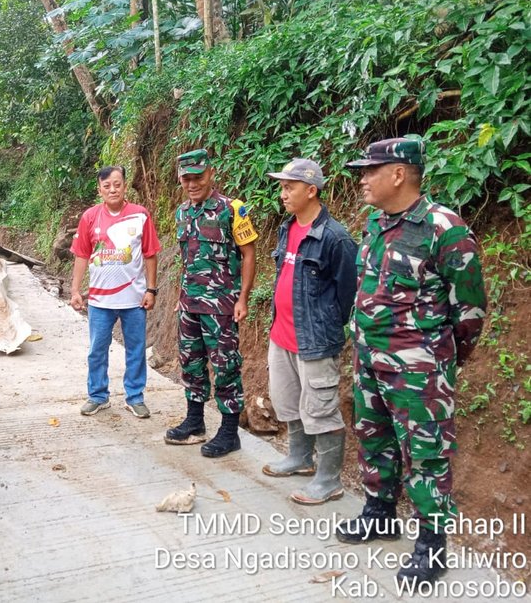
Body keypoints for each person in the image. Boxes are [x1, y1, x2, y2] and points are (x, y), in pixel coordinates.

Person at [336, 137, 487, 586]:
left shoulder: (445, 229)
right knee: (373, 437)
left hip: (419, 371)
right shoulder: (376, 223)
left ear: (399, 173)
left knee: (426, 454)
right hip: (369, 360)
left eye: (370, 170)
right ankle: (380, 513)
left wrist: (437, 360)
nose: (362, 178)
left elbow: (470, 313)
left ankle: (432, 545)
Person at [261, 158, 357, 505]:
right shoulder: (287, 227)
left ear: (311, 190)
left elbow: (348, 294)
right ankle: (300, 458)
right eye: (282, 186)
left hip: (315, 341)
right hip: (282, 335)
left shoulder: (335, 237)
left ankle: (329, 479)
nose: (283, 193)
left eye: (290, 187)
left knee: (321, 407)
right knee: (289, 402)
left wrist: (326, 324)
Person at [165, 149, 257, 457]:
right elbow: (187, 260)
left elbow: (248, 254)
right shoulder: (181, 213)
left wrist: (242, 298)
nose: (192, 184)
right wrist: (181, 295)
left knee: (225, 365)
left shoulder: (233, 209)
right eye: (186, 179)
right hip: (190, 303)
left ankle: (229, 432)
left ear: (211, 174)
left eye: (198, 178)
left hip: (222, 305)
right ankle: (195, 422)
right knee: (191, 363)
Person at [70, 165, 161, 418]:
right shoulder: (89, 217)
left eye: (117, 184)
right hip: (99, 300)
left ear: (124, 185)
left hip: (134, 299)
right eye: (107, 185)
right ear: (99, 189)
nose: (113, 189)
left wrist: (151, 290)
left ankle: (135, 396)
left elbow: (150, 254)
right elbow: (81, 255)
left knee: (136, 349)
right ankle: (98, 395)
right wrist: (75, 290)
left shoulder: (140, 215)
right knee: (97, 349)